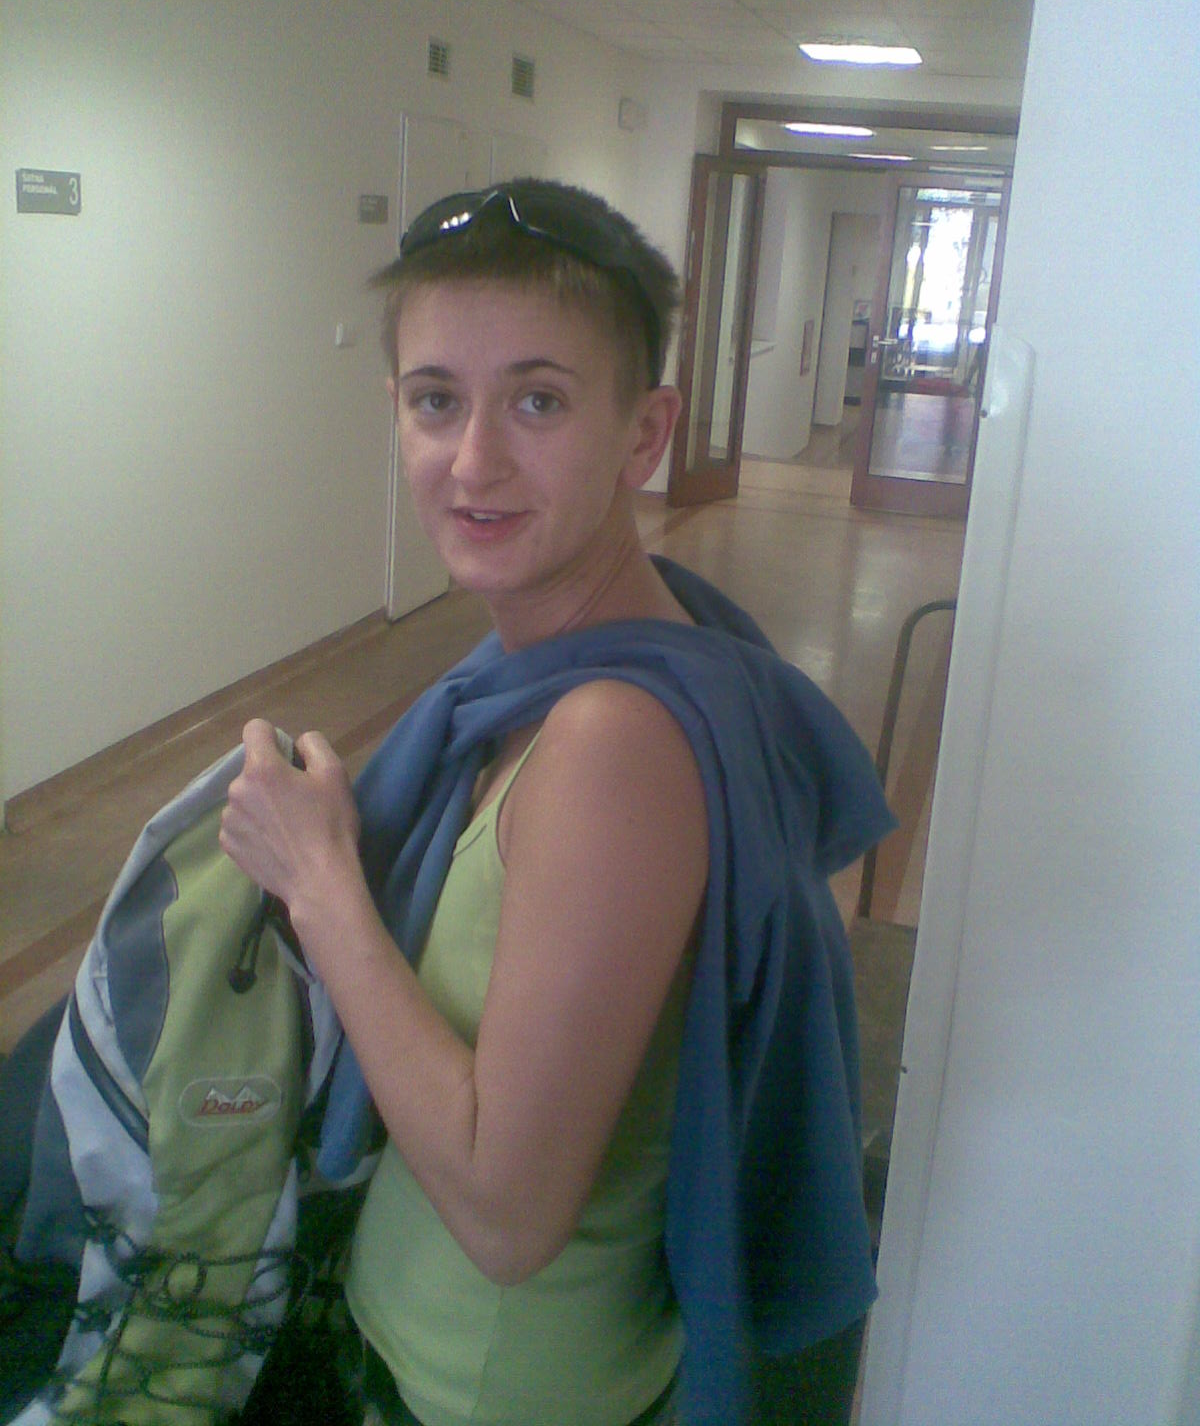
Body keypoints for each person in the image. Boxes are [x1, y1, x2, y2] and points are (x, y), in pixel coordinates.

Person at [219, 180, 892, 1426]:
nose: (473, 461)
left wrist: (319, 883)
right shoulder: (588, 657)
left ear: (645, 433)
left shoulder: (610, 742)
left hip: (486, 1386)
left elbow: (507, 1212)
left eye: (538, 400)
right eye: (437, 401)